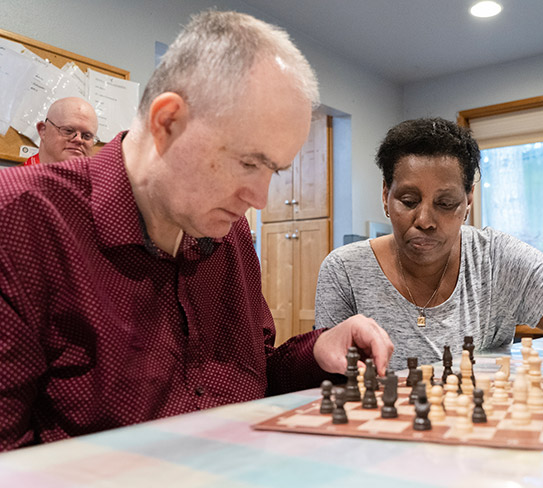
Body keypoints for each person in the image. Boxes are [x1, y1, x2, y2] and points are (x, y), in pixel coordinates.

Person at [0, 10, 392, 452]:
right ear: (168, 122)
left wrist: (316, 353)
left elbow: (253, 375)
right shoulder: (20, 218)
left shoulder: (230, 233)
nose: (260, 199)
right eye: (248, 162)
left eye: (273, 170)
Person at [315, 117, 543, 389]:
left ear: (469, 200)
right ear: (384, 196)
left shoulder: (497, 259)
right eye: (408, 201)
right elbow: (327, 381)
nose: (424, 220)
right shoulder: (343, 270)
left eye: (445, 203)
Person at [21, 96, 99, 165]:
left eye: (87, 136)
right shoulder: (15, 179)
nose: (78, 139)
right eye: (68, 131)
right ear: (43, 131)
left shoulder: (99, 180)